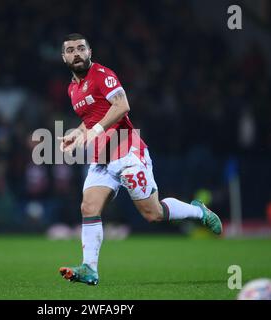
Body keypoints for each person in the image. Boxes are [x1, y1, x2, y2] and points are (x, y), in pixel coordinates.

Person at [57, 33, 222, 285]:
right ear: (64, 57)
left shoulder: (102, 74)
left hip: (127, 151)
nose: (76, 53)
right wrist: (77, 133)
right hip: (102, 159)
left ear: (90, 51)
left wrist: (95, 131)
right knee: (88, 207)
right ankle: (90, 268)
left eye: (81, 48)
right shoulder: (72, 89)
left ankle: (197, 211)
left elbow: (122, 106)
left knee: (153, 214)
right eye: (71, 50)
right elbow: (90, 117)